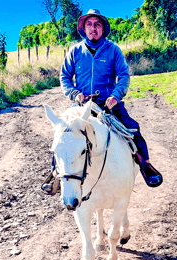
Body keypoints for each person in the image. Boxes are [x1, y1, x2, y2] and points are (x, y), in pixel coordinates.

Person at [42, 9, 162, 194]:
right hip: (82, 105)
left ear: (103, 29)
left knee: (133, 129)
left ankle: (146, 166)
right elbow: (64, 76)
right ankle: (55, 175)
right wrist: (74, 94)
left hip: (108, 104)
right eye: (89, 24)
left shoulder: (113, 50)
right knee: (63, 132)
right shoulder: (75, 51)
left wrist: (116, 95)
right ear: (84, 28)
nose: (93, 28)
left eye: (97, 24)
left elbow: (123, 75)